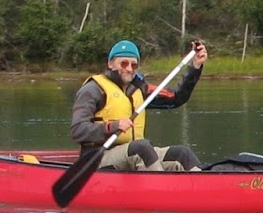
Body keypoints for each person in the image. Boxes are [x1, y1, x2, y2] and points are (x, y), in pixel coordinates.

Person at [70, 39, 208, 172]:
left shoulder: (139, 89)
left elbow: (176, 98)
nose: (129, 69)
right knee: (141, 148)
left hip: (135, 153)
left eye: (134, 65)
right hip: (98, 157)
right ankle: (158, 186)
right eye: (124, 64)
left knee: (181, 154)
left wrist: (195, 67)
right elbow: (78, 130)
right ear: (110, 64)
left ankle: (202, 184)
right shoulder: (93, 89)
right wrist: (113, 126)